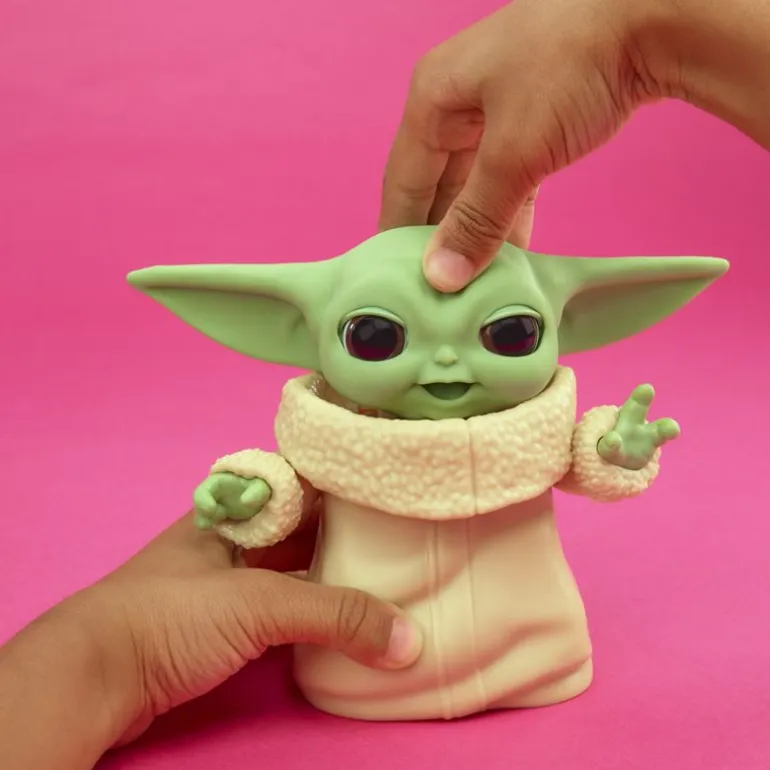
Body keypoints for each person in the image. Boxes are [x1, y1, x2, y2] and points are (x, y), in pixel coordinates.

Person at [1, 0, 768, 767]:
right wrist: (254, 496)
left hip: (541, 649)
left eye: (508, 333)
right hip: (361, 666)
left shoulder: (530, 434)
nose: (446, 363)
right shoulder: (337, 443)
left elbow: (579, 459)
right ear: (297, 328)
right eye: (377, 336)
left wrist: (614, 448)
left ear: (574, 316)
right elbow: (294, 492)